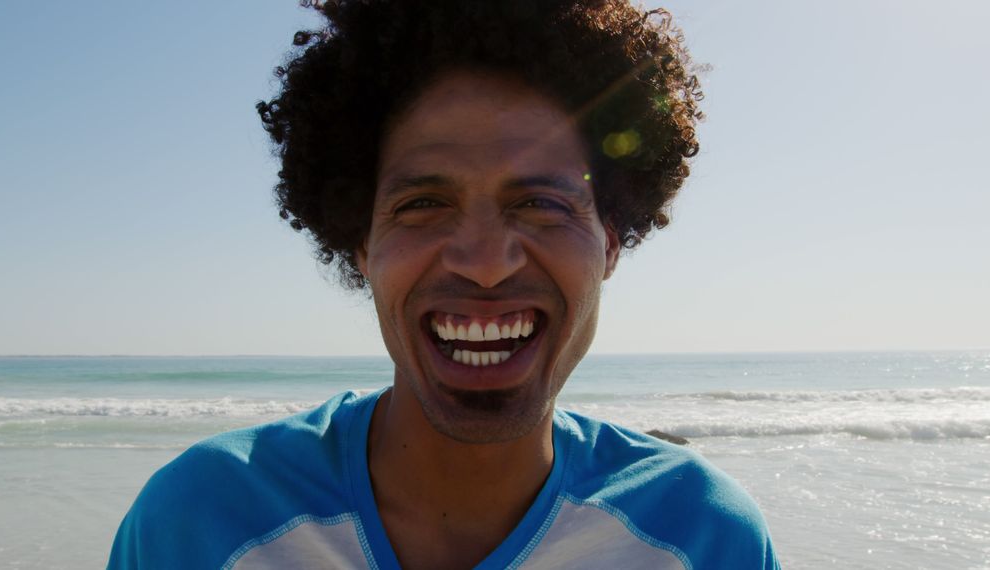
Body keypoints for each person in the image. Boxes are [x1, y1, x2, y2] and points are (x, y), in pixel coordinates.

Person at [108, 1, 781, 568]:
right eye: (424, 204)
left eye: (542, 204)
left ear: (609, 240)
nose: (485, 262)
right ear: (361, 244)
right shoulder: (198, 523)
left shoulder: (703, 539)